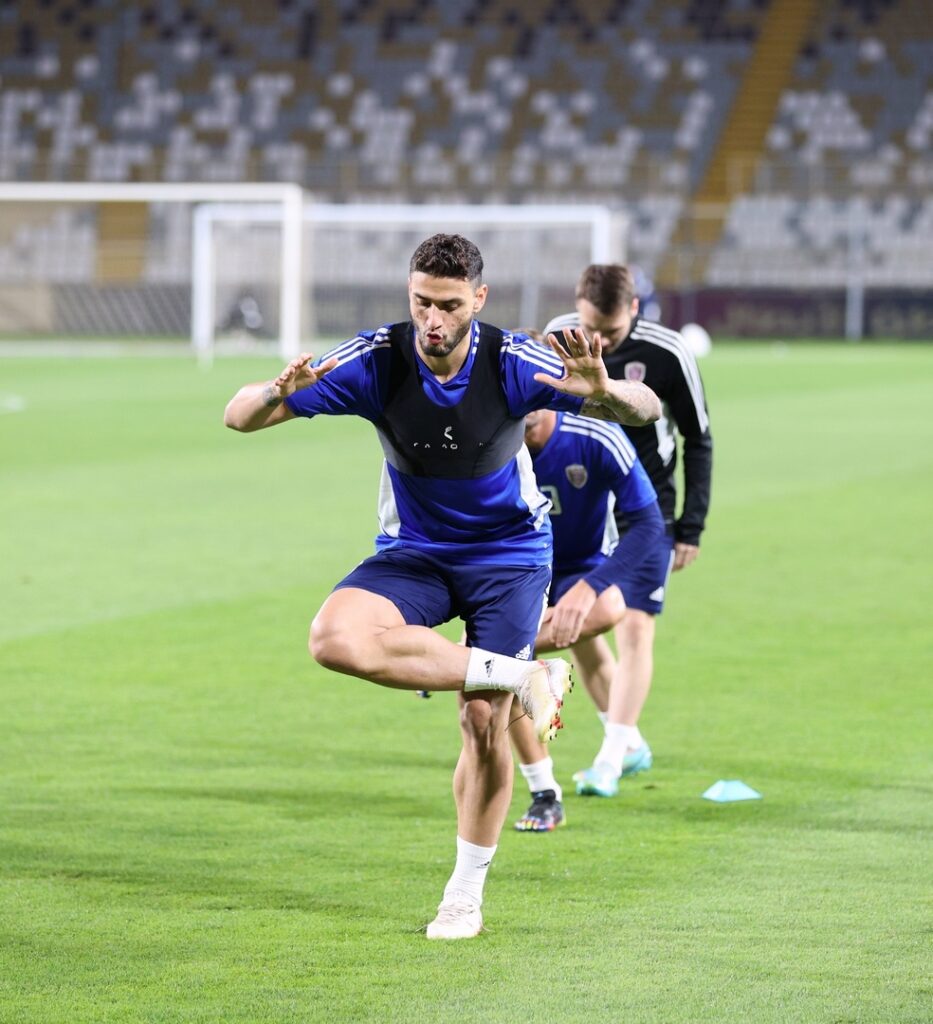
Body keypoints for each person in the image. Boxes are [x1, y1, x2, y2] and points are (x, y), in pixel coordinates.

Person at [223, 235, 661, 939]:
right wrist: (278, 389)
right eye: (421, 302)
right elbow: (238, 416)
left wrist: (606, 389)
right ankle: (522, 675)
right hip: (416, 554)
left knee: (481, 721)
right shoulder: (376, 358)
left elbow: (646, 408)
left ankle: (463, 895)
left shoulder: (512, 360)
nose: (432, 319)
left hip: (508, 558)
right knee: (333, 638)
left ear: (478, 300)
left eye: (449, 305)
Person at [544, 264, 713, 797]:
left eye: (611, 332)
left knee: (635, 626)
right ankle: (630, 741)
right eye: (590, 327)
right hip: (583, 502)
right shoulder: (558, 335)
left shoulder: (669, 352)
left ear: (635, 309)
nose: (598, 341)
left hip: (647, 506)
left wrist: (691, 526)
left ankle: (611, 759)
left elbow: (698, 437)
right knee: (578, 622)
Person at [509, 403, 665, 831]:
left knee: (605, 612)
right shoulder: (491, 440)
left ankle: (470, 657)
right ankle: (545, 792)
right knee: (499, 672)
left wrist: (591, 586)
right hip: (523, 568)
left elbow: (649, 523)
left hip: (585, 567)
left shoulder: (595, 437)